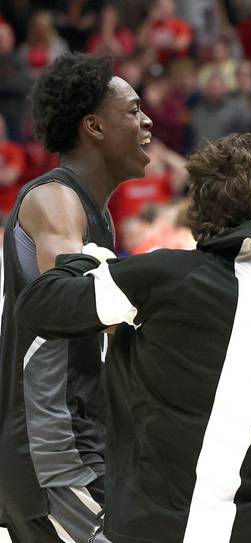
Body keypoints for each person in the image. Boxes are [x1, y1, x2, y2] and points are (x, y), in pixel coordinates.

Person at [13, 133, 251, 543]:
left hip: (142, 529)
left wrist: (91, 259)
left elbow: (39, 306)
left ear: (198, 210)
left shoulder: (158, 276)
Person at [0, 52, 152, 543]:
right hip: (54, 453)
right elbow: (68, 294)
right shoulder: (55, 200)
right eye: (131, 110)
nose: (146, 119)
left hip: (73, 444)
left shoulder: (97, 215)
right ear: (94, 126)